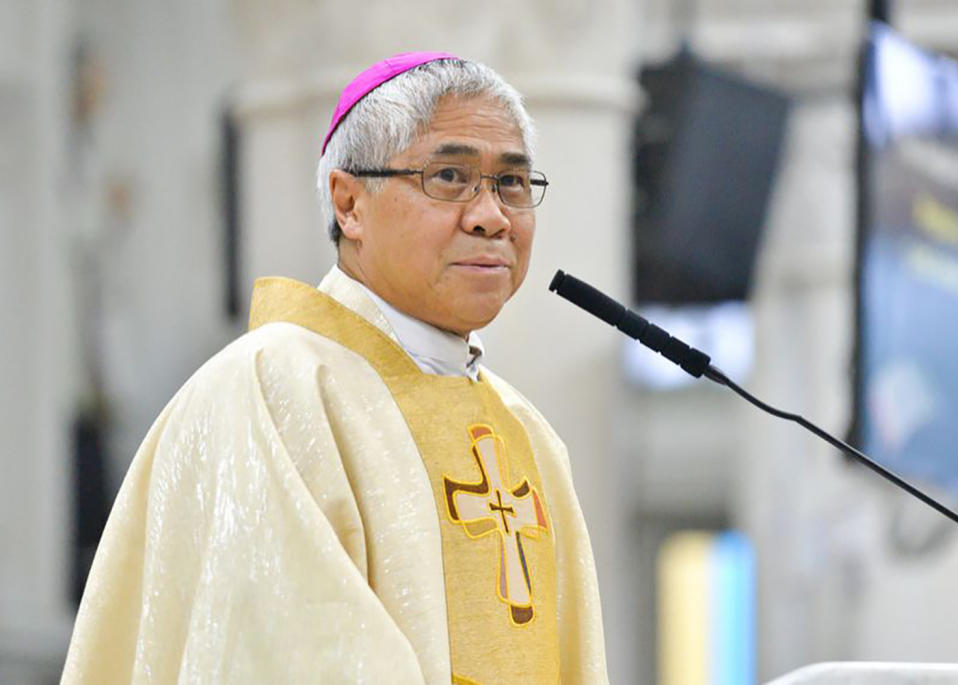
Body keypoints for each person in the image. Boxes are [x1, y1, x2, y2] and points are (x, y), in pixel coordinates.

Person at [63, 52, 608, 684]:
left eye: (511, 183)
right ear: (349, 204)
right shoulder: (271, 391)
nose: (491, 216)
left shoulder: (527, 433)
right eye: (450, 176)